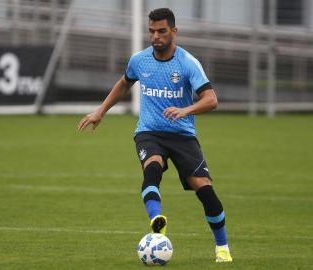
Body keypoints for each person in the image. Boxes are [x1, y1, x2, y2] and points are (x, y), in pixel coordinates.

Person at [78, 7, 232, 263]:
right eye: (151, 31)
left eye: (161, 31)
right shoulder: (139, 60)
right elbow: (124, 83)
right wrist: (101, 111)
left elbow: (211, 100)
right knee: (153, 168)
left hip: (182, 135)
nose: (155, 36)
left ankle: (222, 247)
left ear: (174, 31)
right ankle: (157, 222)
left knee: (204, 189)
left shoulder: (187, 63)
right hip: (149, 132)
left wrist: (186, 110)